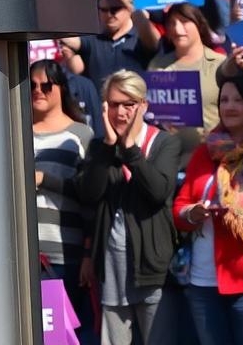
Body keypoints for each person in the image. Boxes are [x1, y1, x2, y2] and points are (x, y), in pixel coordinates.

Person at [76, 70, 180, 345]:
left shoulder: (164, 142)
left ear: (143, 105)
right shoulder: (100, 147)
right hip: (111, 267)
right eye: (112, 104)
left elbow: (158, 192)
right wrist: (109, 147)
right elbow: (90, 194)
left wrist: (131, 149)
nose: (120, 112)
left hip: (151, 266)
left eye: (128, 104)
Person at [173, 73, 243, 345]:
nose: (229, 106)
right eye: (224, 100)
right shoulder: (204, 151)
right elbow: (179, 208)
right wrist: (191, 213)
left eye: (238, 100)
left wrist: (232, 211)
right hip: (202, 281)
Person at [31, 59, 95, 344]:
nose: (38, 91)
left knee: (61, 337)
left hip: (63, 255)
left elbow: (90, 196)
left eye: (46, 85)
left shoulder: (81, 134)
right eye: (32, 85)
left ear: (61, 89)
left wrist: (45, 180)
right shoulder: (12, 130)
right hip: (21, 254)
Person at [147, 3, 224, 144]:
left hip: (209, 154)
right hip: (171, 156)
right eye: (171, 23)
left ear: (199, 24)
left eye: (184, 22)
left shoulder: (220, 64)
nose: (177, 29)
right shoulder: (157, 65)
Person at [62, 0, 155, 90]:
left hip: (133, 104)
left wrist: (126, 0)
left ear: (128, 9)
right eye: (103, 10)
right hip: (102, 106)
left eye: (115, 9)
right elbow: (66, 37)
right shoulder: (93, 39)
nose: (109, 14)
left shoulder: (140, 37)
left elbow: (152, 38)